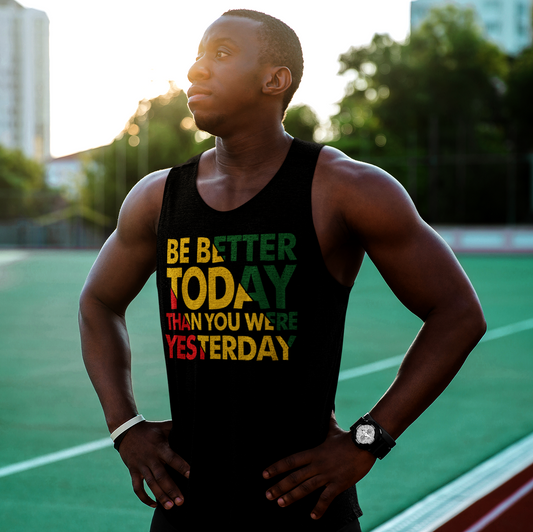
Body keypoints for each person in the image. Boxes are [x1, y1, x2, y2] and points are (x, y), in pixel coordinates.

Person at [79, 9, 486, 532]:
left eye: (220, 54)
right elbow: (98, 302)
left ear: (276, 80)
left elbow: (458, 313)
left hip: (304, 507)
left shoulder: (346, 188)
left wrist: (369, 438)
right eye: (198, 54)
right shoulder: (158, 198)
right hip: (186, 505)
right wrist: (124, 426)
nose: (196, 70)